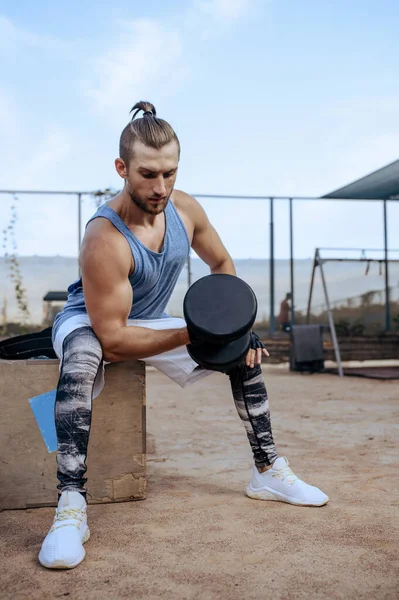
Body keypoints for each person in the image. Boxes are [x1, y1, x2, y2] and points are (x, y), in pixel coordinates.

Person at [39, 102, 328, 570]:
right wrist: (192, 332)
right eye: (147, 174)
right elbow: (112, 338)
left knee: (243, 354)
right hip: (90, 321)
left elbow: (222, 266)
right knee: (83, 355)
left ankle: (269, 471)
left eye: (169, 173)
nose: (160, 187)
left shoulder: (184, 208)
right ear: (121, 169)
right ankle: (71, 507)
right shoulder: (104, 238)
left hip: (153, 317)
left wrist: (236, 328)